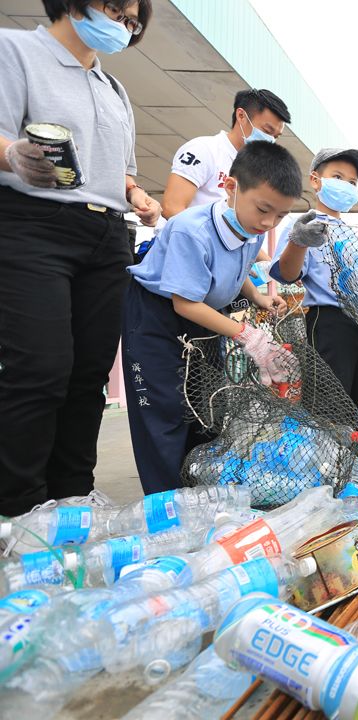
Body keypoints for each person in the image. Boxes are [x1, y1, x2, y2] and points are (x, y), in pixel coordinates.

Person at [0, 0, 159, 517]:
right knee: (40, 367)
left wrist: (136, 195)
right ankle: (19, 509)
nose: (123, 25)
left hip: (107, 233)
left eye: (132, 20)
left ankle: (71, 499)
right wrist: (11, 155)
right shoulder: (16, 50)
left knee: (88, 376)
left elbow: (122, 170)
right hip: (33, 225)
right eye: (116, 9)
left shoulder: (115, 89)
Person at [122, 142, 302, 493]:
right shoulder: (193, 230)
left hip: (206, 319)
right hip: (158, 317)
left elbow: (238, 271)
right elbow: (184, 303)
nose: (268, 222)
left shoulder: (250, 231)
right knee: (164, 411)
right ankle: (167, 506)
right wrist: (249, 337)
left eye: (280, 216)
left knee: (203, 407)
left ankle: (198, 490)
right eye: (264, 209)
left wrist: (257, 296)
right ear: (232, 188)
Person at [269, 147, 358, 415]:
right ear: (316, 180)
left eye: (352, 183)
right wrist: (299, 242)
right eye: (338, 177)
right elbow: (286, 274)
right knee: (330, 403)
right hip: (329, 323)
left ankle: (352, 452)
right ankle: (330, 455)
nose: (346, 186)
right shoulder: (304, 224)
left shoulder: (354, 234)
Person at [161, 88, 292, 220]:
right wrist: (208, 240)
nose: (271, 140)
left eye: (276, 136)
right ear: (241, 116)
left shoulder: (258, 170)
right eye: (267, 130)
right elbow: (171, 208)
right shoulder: (204, 149)